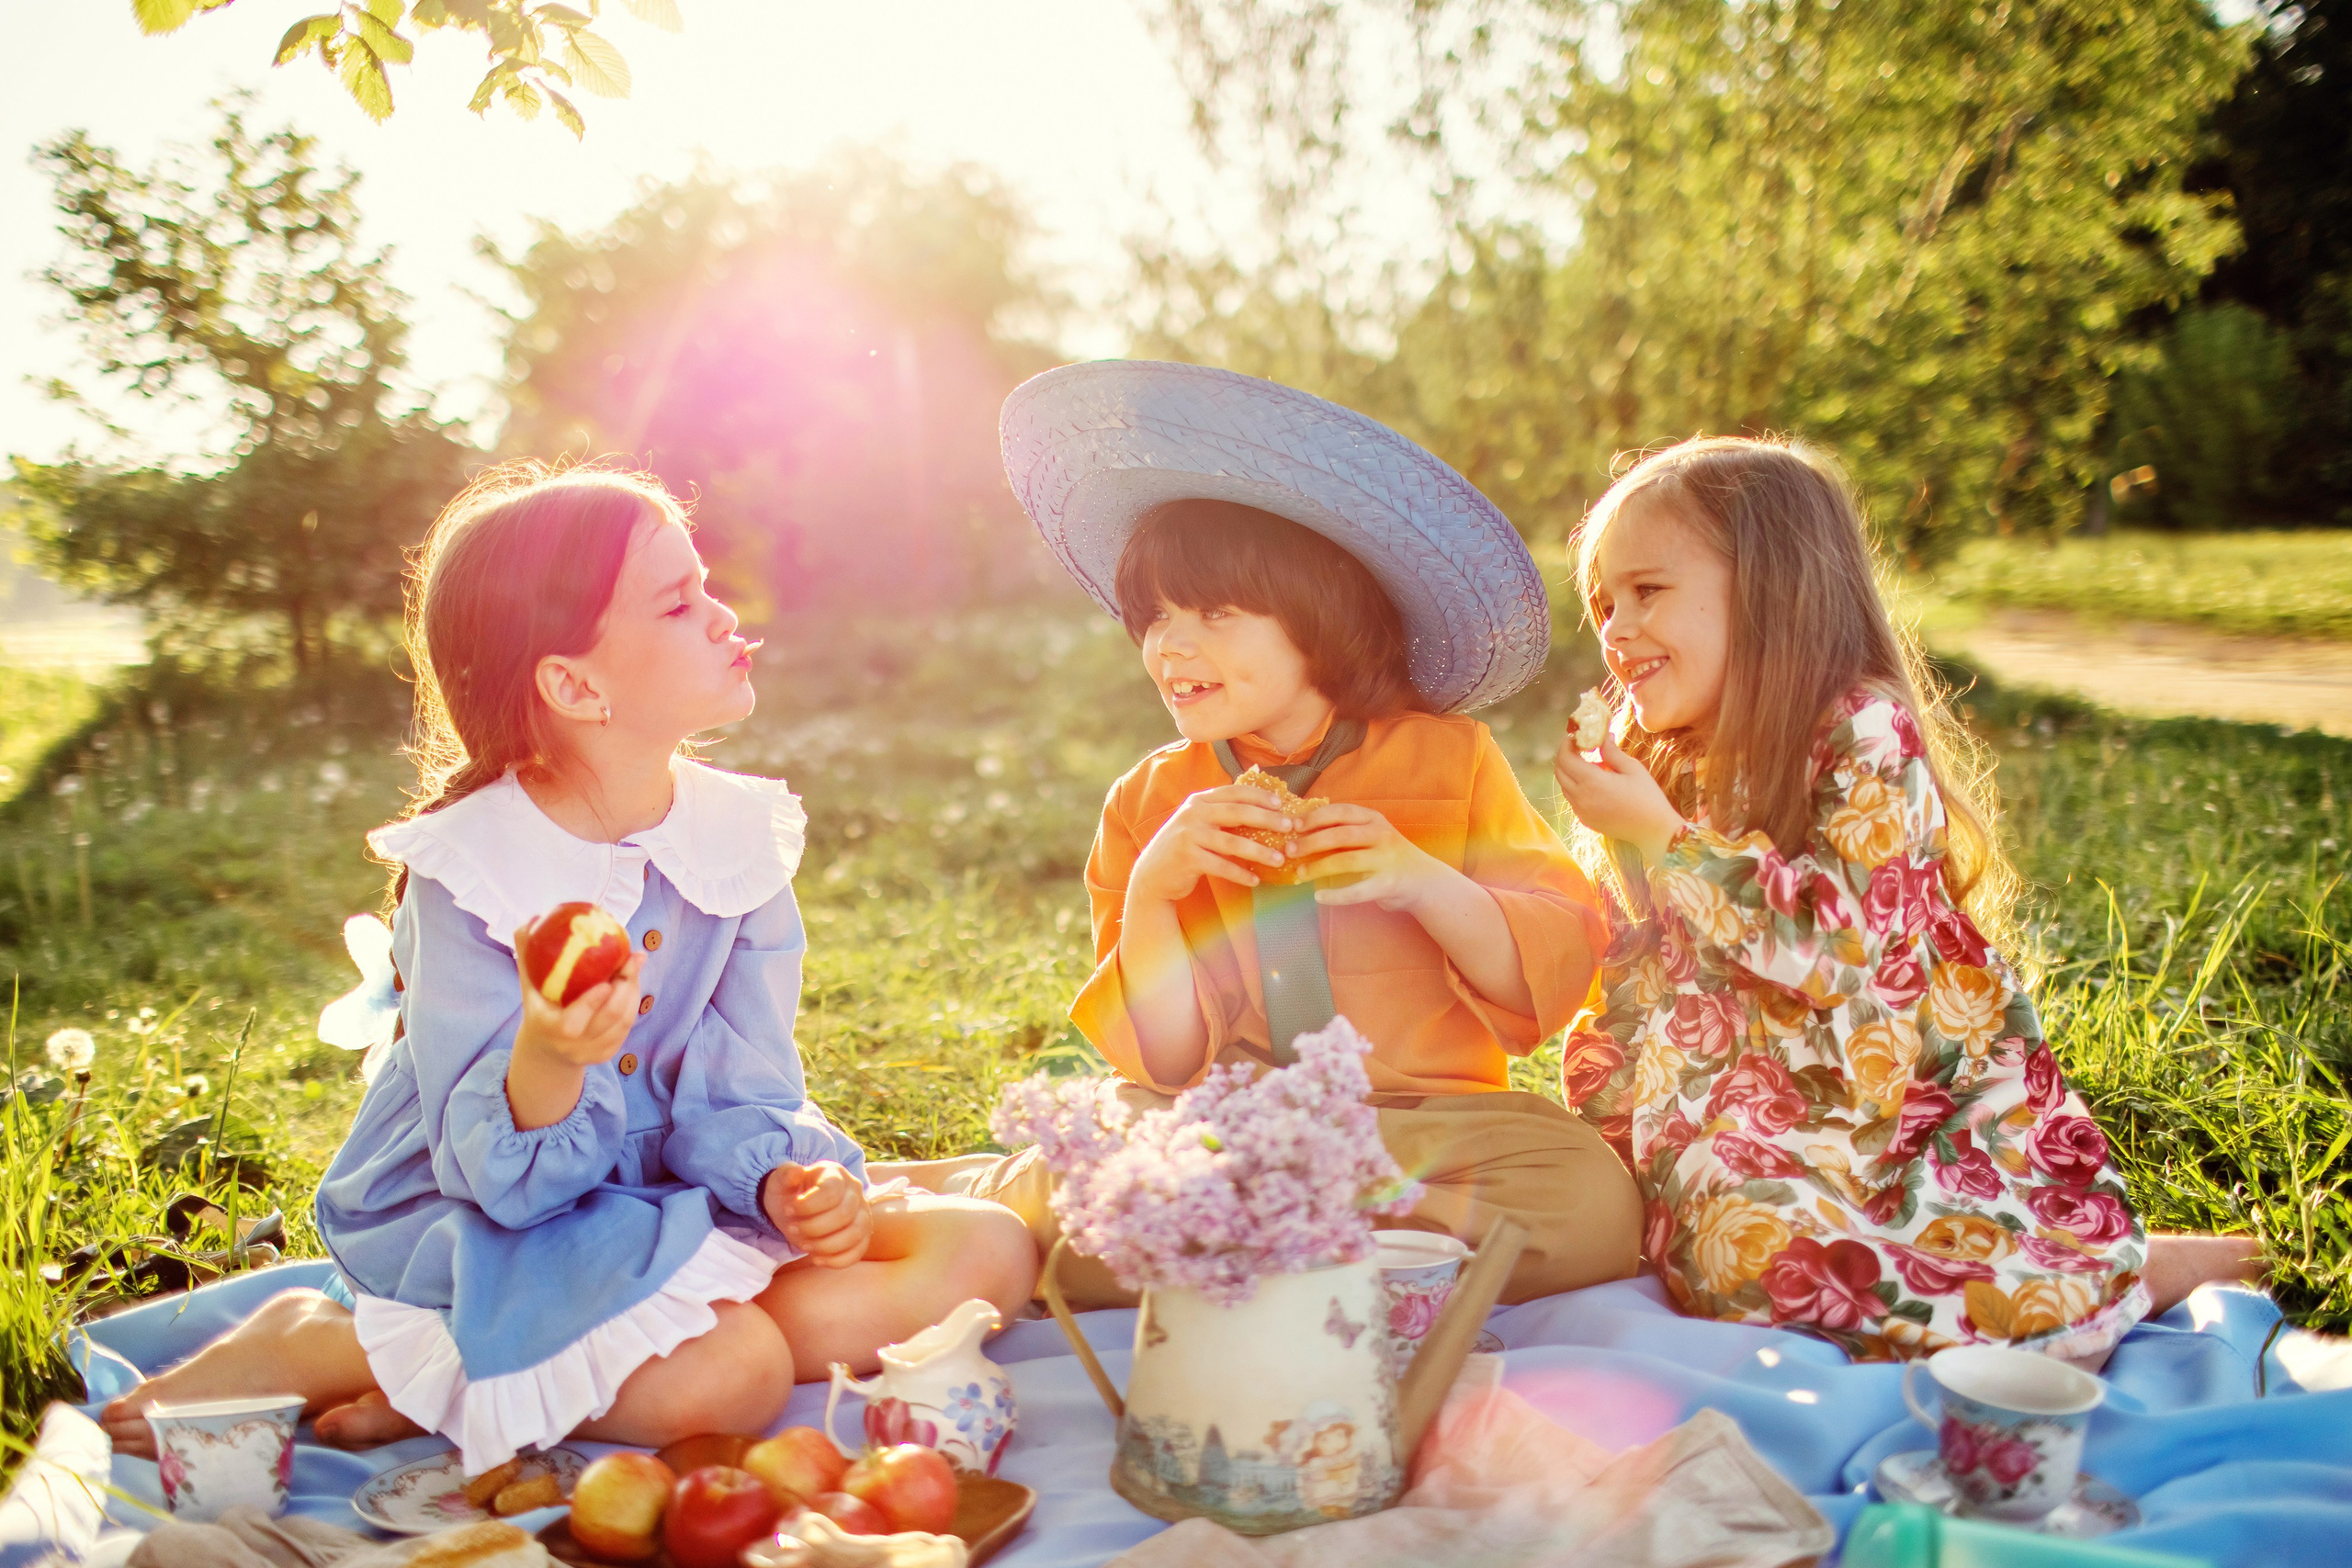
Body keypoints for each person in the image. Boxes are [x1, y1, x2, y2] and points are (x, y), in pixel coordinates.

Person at [101, 464, 1035, 1466]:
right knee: (734, 1379)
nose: (724, 616)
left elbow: (745, 1078)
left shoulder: (734, 838)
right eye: (679, 603)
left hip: (673, 1193)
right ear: (575, 684)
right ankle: (334, 1344)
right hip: (509, 1208)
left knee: (986, 1251)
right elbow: (496, 1178)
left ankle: (461, 1381)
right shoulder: (476, 875)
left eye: (704, 585)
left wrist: (780, 1182)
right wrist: (550, 1053)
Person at [876, 360, 1644, 1305]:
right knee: (1092, 1194)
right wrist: (1157, 890)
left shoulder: (1454, 761)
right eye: (1153, 616)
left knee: (1593, 1207)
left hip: (1410, 1126)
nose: (1169, 645)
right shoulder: (1149, 800)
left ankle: (1260, 1245)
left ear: (1319, 623)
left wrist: (1418, 881)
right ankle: (1337, 1255)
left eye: (1213, 614)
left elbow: (1555, 973)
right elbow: (1158, 1059)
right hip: (1220, 1126)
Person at [1551, 434, 2262, 1366]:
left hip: (1892, 1108)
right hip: (1746, 1109)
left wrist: (1662, 840)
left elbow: (1835, 949)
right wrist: (1615, 843)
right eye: (1603, 605)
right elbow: (1658, 946)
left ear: (1770, 588)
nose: (1615, 629)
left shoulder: (1859, 730)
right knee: (1702, 1236)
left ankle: (2103, 1281)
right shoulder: (1668, 758)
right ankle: (2024, 1282)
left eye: (1646, 592)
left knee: (1743, 1254)